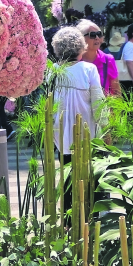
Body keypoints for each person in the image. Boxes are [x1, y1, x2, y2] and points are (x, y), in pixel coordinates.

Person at [51, 27, 104, 211]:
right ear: (81, 48)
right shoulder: (89, 69)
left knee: (67, 179)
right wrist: (105, 128)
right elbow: (99, 103)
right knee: (90, 178)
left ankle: (68, 220)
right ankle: (91, 218)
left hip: (62, 135)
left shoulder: (53, 72)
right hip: (86, 134)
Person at [77, 19, 120, 96]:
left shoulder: (108, 60)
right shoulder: (75, 61)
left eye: (99, 34)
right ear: (81, 39)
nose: (97, 37)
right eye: (92, 35)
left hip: (102, 107)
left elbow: (116, 92)